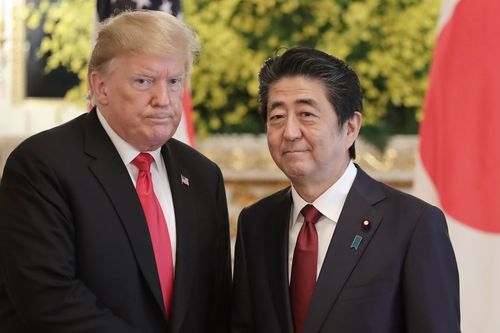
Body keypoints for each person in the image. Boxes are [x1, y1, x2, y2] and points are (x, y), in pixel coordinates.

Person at [0, 10, 231, 333]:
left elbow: (216, 305)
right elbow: (48, 299)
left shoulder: (204, 176)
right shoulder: (42, 165)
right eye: (143, 81)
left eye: (174, 81)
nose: (163, 99)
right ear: (101, 86)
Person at [231, 47, 460, 333]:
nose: (289, 132)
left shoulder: (413, 225)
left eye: (306, 114)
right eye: (277, 117)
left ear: (350, 127)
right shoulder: (256, 223)